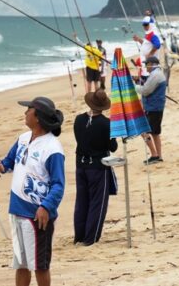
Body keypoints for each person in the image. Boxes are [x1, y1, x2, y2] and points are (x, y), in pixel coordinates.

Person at [0, 96, 65, 286]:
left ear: (38, 117)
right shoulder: (23, 139)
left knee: (40, 266)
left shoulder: (52, 148)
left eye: (28, 109)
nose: (25, 113)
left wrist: (46, 207)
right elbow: (10, 161)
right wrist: (1, 166)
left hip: (37, 216)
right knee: (21, 264)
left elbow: (59, 184)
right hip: (16, 210)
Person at [72, 90, 118, 246]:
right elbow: (112, 146)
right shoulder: (106, 124)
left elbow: (80, 139)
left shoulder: (79, 120)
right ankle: (90, 238)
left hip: (81, 164)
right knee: (97, 203)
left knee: (82, 201)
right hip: (97, 166)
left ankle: (79, 235)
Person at [136, 56, 167, 165]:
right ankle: (159, 156)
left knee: (143, 130)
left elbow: (145, 90)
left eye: (146, 64)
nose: (145, 66)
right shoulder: (157, 73)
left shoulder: (155, 75)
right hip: (157, 107)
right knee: (155, 133)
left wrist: (134, 86)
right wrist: (139, 80)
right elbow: (149, 84)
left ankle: (154, 155)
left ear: (152, 64)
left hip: (153, 107)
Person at [133, 16, 161, 81]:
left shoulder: (153, 34)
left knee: (148, 83)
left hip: (150, 65)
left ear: (150, 24)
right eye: (143, 24)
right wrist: (139, 39)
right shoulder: (148, 33)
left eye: (146, 25)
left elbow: (157, 44)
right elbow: (146, 44)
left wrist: (150, 54)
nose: (144, 26)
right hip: (146, 66)